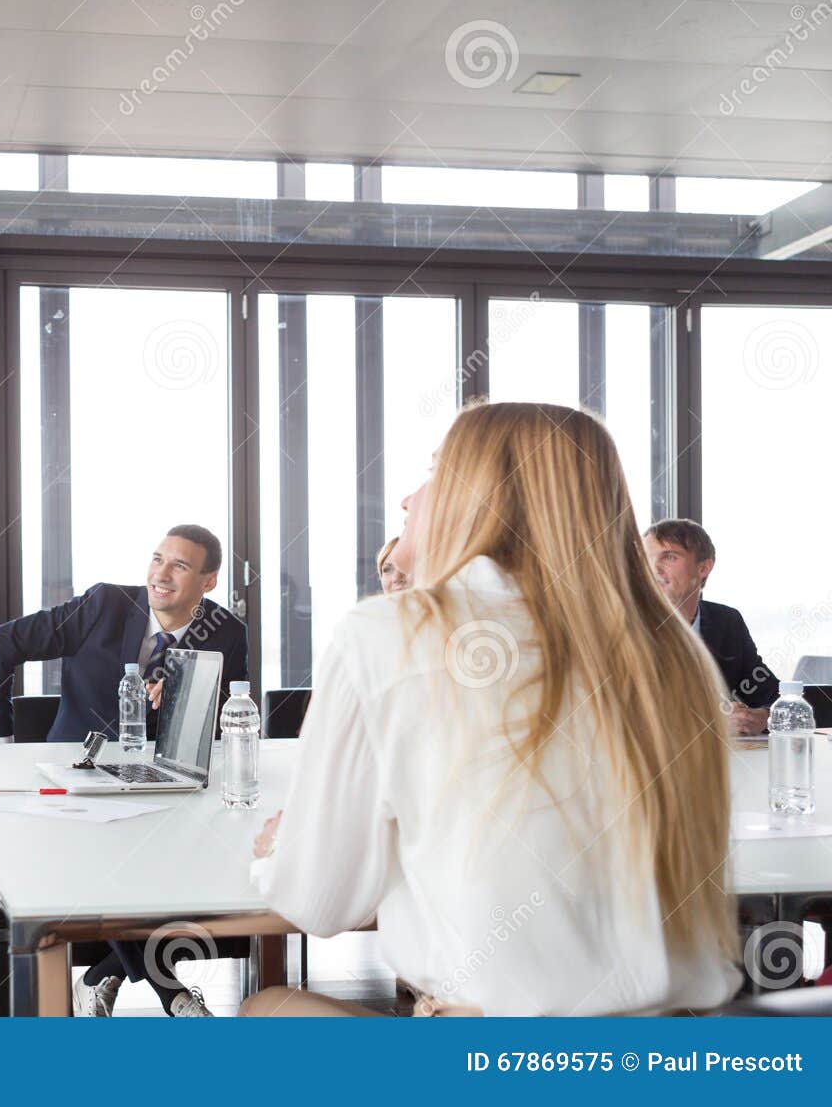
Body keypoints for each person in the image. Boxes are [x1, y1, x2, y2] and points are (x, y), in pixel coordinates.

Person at [242, 402, 739, 1017]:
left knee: (266, 1008)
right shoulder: (672, 652)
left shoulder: (388, 634)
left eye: (432, 471)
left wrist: (281, 845)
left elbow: (319, 903)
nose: (407, 498)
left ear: (475, 495)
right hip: (675, 1052)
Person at [0, 525, 248, 1017]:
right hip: (77, 780)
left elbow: (225, 720)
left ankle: (101, 975)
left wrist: (185, 697)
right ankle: (174, 996)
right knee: (121, 870)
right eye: (158, 558)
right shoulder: (104, 606)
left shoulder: (227, 632)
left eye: (180, 566)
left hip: (160, 787)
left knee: (177, 863)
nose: (161, 574)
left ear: (208, 582)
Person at [644, 518, 779, 737]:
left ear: (704, 567)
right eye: (647, 558)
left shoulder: (726, 622)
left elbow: (771, 693)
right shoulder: (624, 625)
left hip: (721, 765)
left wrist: (761, 717)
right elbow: (618, 715)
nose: (654, 568)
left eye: (669, 557)